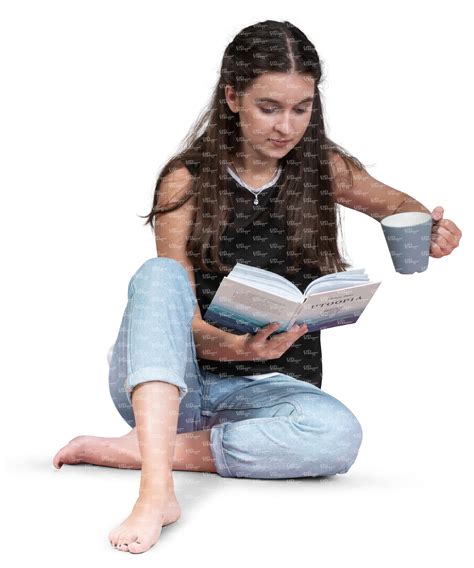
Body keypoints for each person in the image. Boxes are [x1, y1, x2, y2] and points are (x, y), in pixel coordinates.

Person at [52, 20, 462, 554]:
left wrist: (432, 232)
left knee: (337, 437)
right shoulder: (187, 178)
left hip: (270, 393)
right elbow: (177, 321)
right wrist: (233, 346)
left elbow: (400, 208)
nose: (286, 126)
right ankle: (157, 491)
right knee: (159, 277)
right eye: (269, 107)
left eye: (301, 108)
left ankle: (149, 451)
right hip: (178, 385)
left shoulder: (322, 168)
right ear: (232, 98)